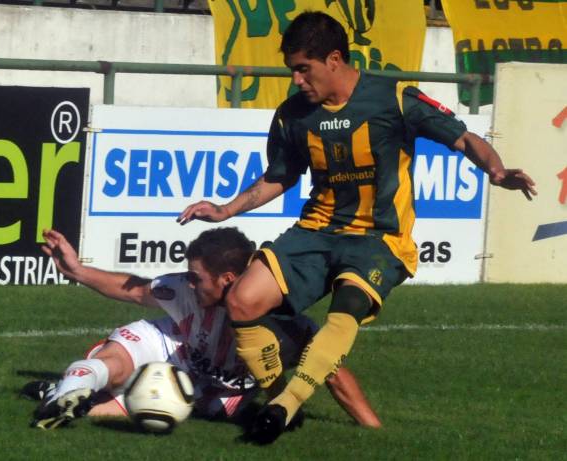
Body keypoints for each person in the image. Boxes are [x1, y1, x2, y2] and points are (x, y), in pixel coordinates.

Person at [178, 11, 537, 444]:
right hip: (315, 232)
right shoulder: (293, 115)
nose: (296, 80)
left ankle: (283, 407)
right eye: (292, 69)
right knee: (242, 301)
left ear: (334, 59)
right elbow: (280, 176)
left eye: (303, 69)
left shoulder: (394, 98)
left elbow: (462, 137)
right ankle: (282, 403)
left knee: (346, 305)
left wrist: (496, 171)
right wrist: (226, 210)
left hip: (379, 237)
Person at [25, 227, 380, 431]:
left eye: (197, 277)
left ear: (227, 278)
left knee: (124, 408)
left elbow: (332, 371)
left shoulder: (282, 323)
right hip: (173, 346)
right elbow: (133, 290)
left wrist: (372, 429)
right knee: (115, 361)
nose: (189, 283)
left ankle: (67, 392)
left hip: (215, 392)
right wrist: (77, 271)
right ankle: (66, 393)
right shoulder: (185, 291)